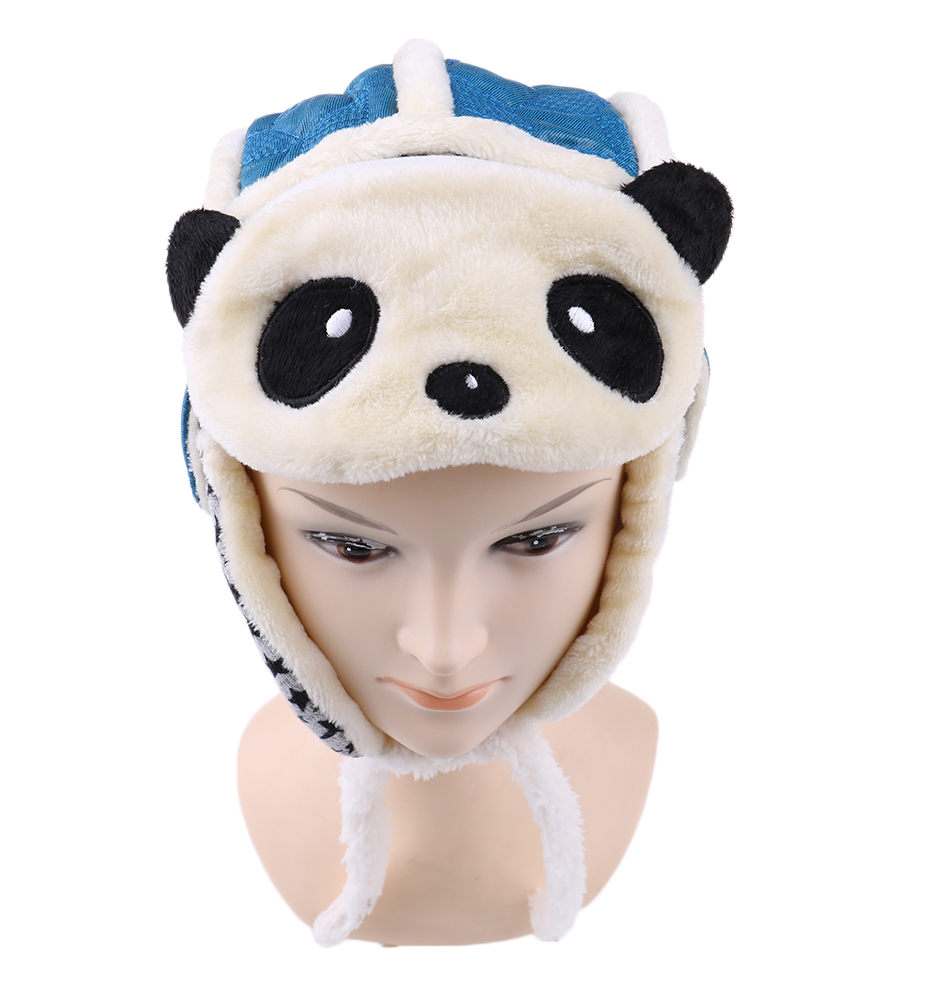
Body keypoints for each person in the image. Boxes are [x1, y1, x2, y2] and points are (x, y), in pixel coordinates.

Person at [166, 39, 731, 946]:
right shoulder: (257, 771)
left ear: (641, 500)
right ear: (238, 514)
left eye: (536, 539)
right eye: (352, 545)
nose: (443, 647)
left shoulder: (650, 756)